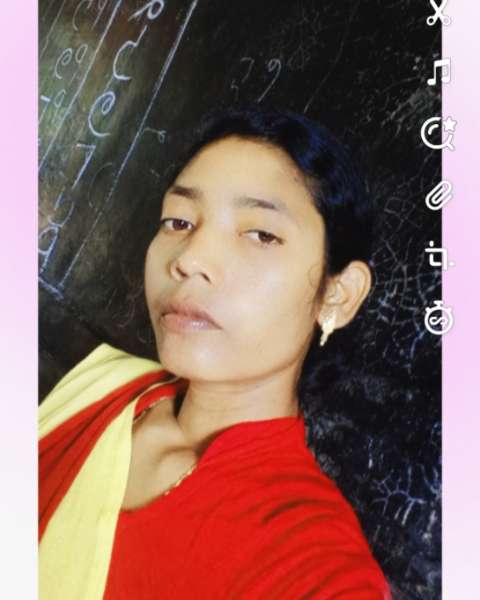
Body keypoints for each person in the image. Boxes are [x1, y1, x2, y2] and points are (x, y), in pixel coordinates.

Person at [39, 104, 393, 599]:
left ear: (338, 295)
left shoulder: (306, 559)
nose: (190, 259)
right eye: (178, 221)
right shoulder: (104, 389)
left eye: (261, 234)